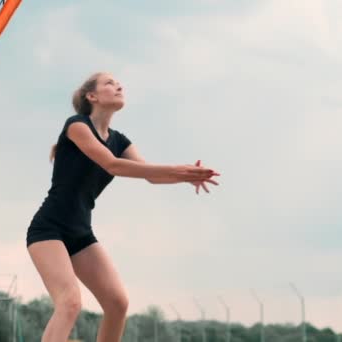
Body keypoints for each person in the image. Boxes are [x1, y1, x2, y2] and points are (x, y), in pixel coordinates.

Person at [26, 72, 220, 342]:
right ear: (91, 96)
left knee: (117, 304)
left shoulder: (120, 141)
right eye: (109, 83)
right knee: (70, 303)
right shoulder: (77, 126)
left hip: (80, 232)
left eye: (118, 83)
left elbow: (150, 175)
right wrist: (179, 170)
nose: (118, 85)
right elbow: (112, 165)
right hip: (48, 229)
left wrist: (187, 176)